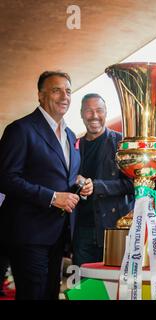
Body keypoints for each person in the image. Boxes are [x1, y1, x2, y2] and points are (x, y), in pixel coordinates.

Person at [0, 71, 93, 299]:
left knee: (51, 293)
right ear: (41, 96)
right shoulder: (21, 129)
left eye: (68, 91)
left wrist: (80, 182)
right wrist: (52, 197)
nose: (64, 96)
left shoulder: (71, 135)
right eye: (56, 90)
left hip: (58, 234)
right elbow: (5, 178)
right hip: (28, 233)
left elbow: (61, 175)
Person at [72, 93, 134, 266]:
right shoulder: (74, 146)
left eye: (99, 110)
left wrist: (97, 186)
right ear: (81, 114)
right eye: (88, 111)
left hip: (114, 228)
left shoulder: (121, 143)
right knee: (84, 287)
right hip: (82, 229)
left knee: (114, 286)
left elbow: (133, 184)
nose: (94, 116)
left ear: (106, 112)